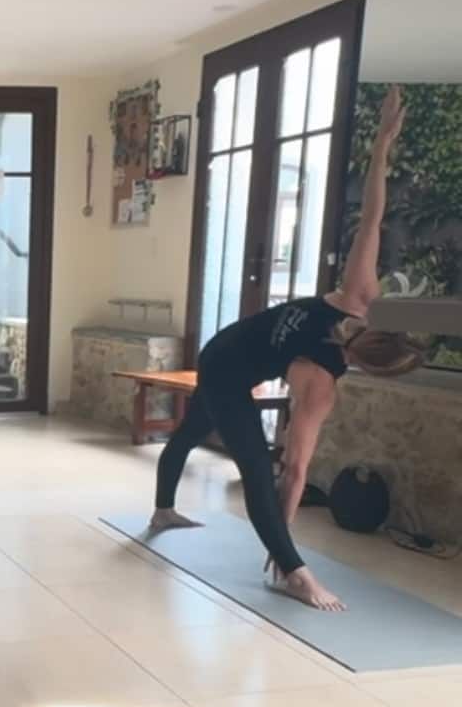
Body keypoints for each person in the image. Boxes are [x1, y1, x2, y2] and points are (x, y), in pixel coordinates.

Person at [151, 86, 423, 611]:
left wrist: (383, 147)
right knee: (254, 465)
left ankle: (163, 511)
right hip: (226, 364)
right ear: (371, 365)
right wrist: (289, 554)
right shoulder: (332, 365)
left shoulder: (355, 303)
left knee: (189, 430)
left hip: (226, 343)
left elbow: (371, 218)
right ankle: (297, 576)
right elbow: (291, 471)